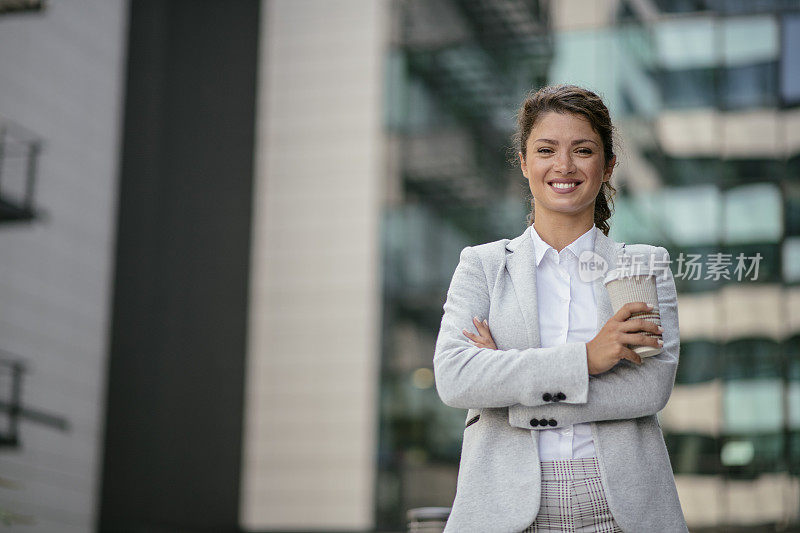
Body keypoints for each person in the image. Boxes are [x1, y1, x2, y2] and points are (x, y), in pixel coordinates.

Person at [433, 84, 688, 533]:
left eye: (583, 150)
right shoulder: (483, 266)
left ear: (607, 166)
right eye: (546, 149)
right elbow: (455, 378)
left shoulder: (642, 267)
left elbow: (648, 389)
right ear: (525, 162)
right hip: (504, 508)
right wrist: (588, 358)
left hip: (621, 509)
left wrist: (507, 388)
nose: (563, 166)